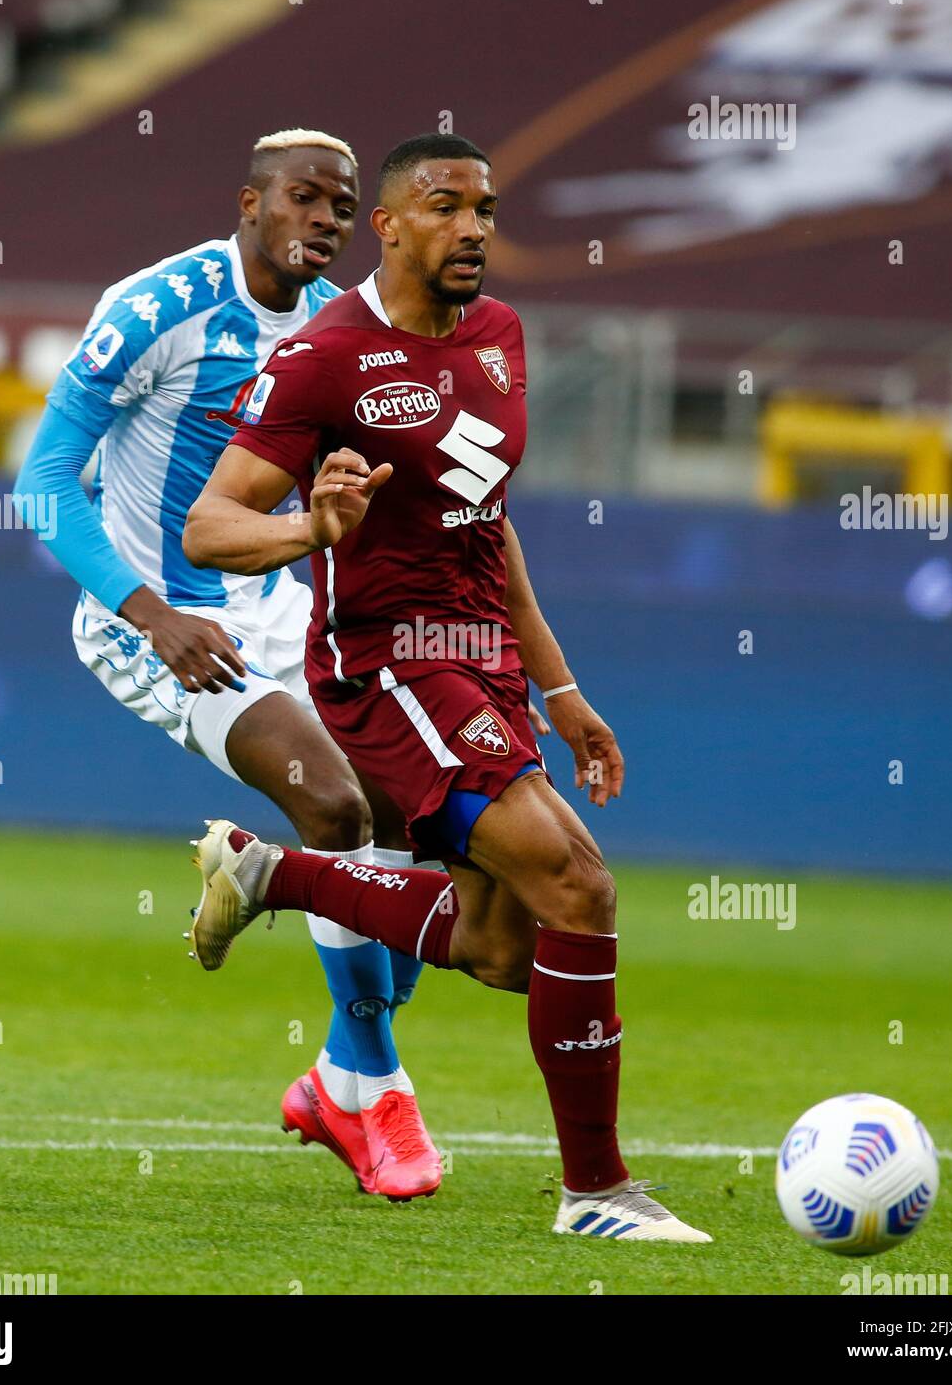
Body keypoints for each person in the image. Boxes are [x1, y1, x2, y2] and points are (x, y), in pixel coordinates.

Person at [182, 132, 712, 1243]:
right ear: (386, 225)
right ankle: (597, 1193)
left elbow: (489, 520)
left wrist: (561, 690)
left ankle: (275, 875)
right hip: (389, 666)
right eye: (443, 206)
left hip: (489, 666)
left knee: (502, 948)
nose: (471, 227)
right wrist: (308, 529)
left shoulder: (501, 338)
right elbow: (209, 523)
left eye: (482, 207)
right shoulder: (327, 355)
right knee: (581, 888)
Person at [12, 129, 441, 1201]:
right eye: (304, 198)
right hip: (153, 621)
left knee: (419, 822)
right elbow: (43, 482)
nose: (325, 221)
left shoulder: (345, 334)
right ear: (249, 202)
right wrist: (147, 611)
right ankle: (376, 1098)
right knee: (336, 813)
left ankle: (334, 1061)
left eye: (342, 206)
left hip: (282, 606)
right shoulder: (160, 308)